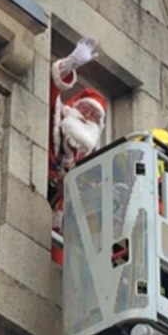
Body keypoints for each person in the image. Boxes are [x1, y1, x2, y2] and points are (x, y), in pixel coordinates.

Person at [50, 37, 107, 265]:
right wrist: (71, 63)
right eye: (85, 109)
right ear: (74, 107)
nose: (87, 117)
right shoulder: (59, 118)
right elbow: (51, 90)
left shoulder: (89, 156)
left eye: (94, 116)